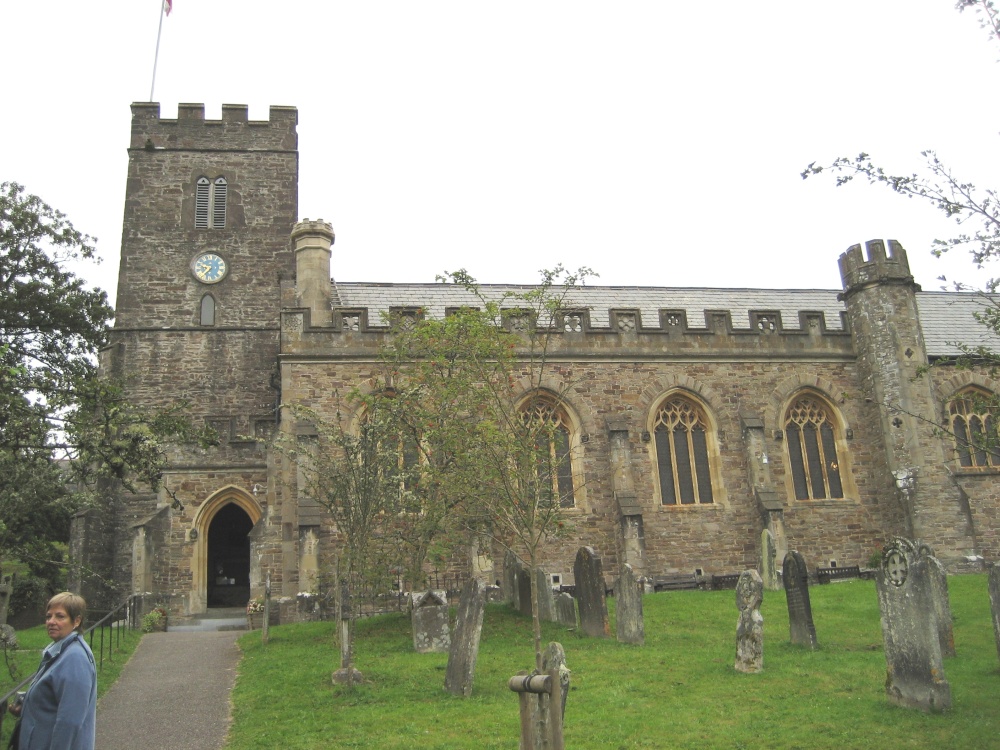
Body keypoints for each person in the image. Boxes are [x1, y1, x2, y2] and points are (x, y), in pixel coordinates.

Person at [8, 592, 96, 750]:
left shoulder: (74, 658)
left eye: (60, 617)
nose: (51, 622)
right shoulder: (58, 651)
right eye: (49, 616)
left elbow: (70, 722)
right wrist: (27, 707)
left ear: (76, 621)